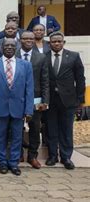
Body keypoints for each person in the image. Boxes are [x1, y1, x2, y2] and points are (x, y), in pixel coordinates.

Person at [0, 38, 34, 176]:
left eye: (12, 45)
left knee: (17, 137)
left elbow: (29, 89)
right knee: (0, 136)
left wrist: (29, 109)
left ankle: (14, 163)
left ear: (17, 47)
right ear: (1, 47)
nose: (9, 48)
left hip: (18, 108)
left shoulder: (25, 65)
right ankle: (2, 162)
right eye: (6, 45)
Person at [45, 32, 85, 169]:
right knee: (51, 129)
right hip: (50, 100)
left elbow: (80, 79)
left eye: (59, 41)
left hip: (68, 100)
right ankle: (52, 156)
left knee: (66, 129)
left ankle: (66, 157)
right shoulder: (43, 57)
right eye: (53, 41)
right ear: (49, 43)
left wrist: (80, 99)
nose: (56, 43)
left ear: (63, 42)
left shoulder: (73, 56)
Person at [17, 31, 49, 169]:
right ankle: (18, 154)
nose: (28, 40)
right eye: (25, 38)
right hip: (16, 98)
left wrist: (45, 101)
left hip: (36, 98)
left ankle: (32, 156)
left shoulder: (41, 58)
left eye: (31, 38)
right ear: (20, 40)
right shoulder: (13, 54)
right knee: (16, 128)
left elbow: (45, 81)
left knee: (35, 128)